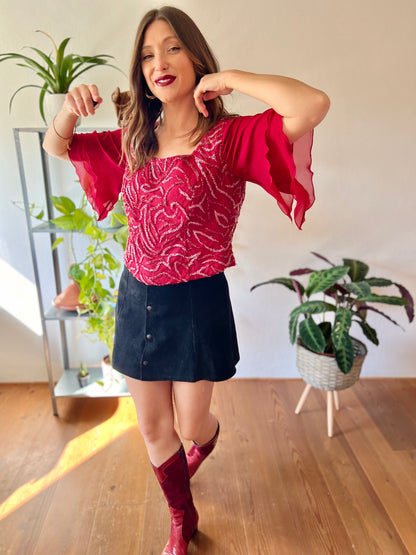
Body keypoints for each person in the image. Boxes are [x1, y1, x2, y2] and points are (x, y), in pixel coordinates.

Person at [43, 6, 329, 554]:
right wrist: (68, 110)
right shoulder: (133, 138)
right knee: (153, 429)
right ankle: (181, 515)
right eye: (148, 55)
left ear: (195, 56)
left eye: (173, 48)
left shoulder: (229, 138)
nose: (159, 63)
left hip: (198, 300)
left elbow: (312, 105)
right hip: (137, 297)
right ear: (140, 71)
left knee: (192, 425)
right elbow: (58, 147)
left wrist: (231, 80)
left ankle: (207, 441)